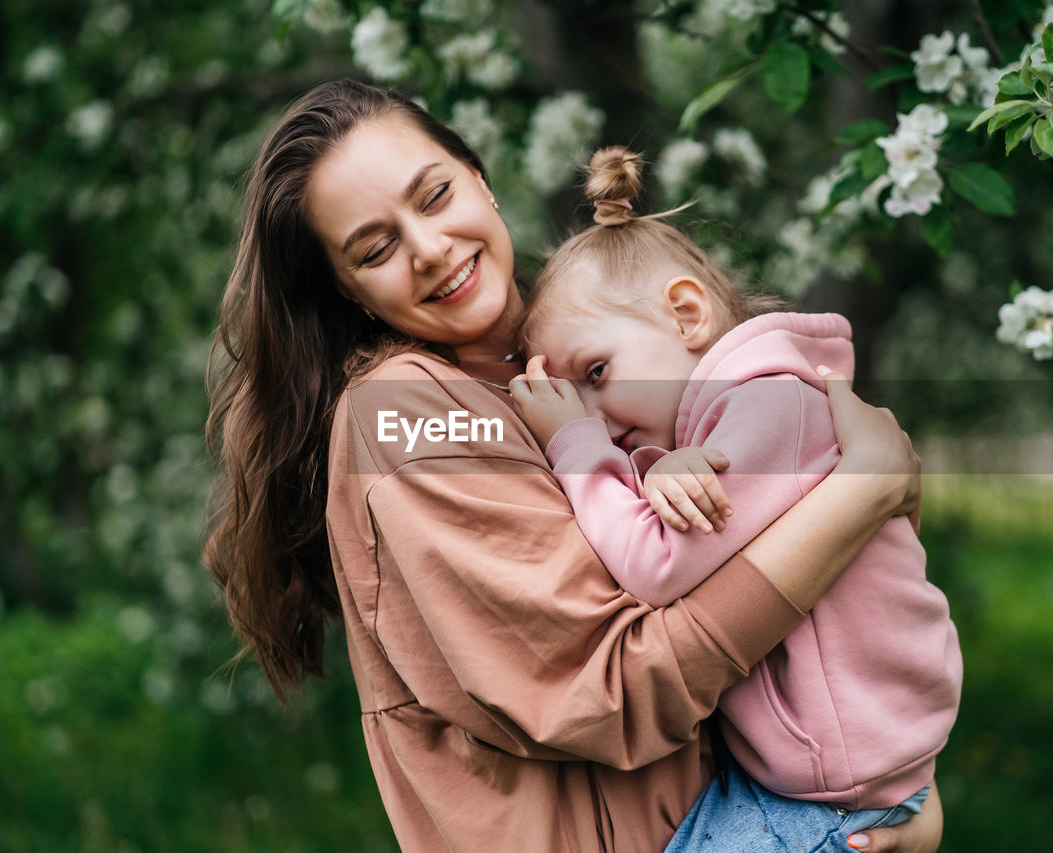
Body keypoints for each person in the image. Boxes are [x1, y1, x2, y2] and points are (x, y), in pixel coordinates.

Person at [203, 78, 944, 852]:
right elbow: (616, 688)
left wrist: (891, 795)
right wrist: (866, 492)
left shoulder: (588, 359)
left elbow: (842, 587)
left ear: (480, 181)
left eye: (434, 196)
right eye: (376, 248)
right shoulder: (403, 413)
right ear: (347, 290)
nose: (427, 250)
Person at [510, 146, 962, 852]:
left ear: (687, 315)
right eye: (578, 400)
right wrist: (654, 468)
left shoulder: (772, 406)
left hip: (835, 795)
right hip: (816, 778)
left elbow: (657, 566)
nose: (594, 413)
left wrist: (573, 443)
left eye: (597, 371)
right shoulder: (737, 418)